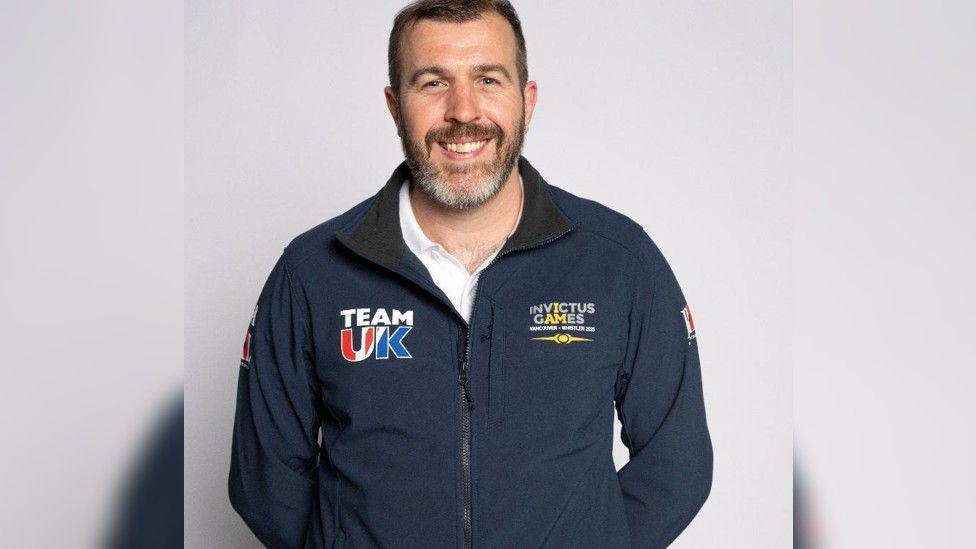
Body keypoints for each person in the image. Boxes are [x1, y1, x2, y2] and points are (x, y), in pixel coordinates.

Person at [228, 1, 712, 547]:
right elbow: (264, 481)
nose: (463, 110)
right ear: (394, 105)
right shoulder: (313, 271)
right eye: (433, 82)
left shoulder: (618, 261)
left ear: (526, 101)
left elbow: (679, 463)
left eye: (488, 78)